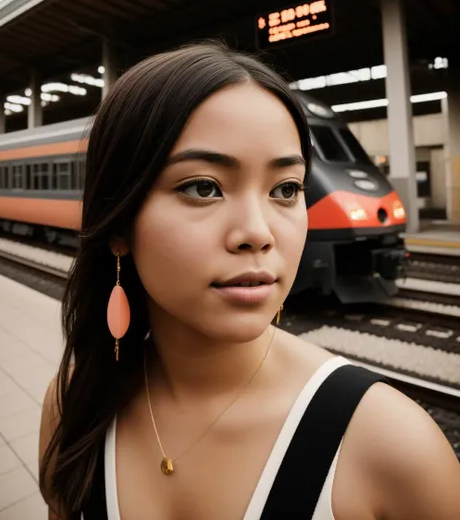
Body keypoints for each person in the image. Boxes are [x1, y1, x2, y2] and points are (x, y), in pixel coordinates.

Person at [39, 40, 460, 520]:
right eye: (203, 187)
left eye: (286, 189)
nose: (258, 233)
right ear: (117, 227)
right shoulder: (73, 408)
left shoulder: (396, 449)